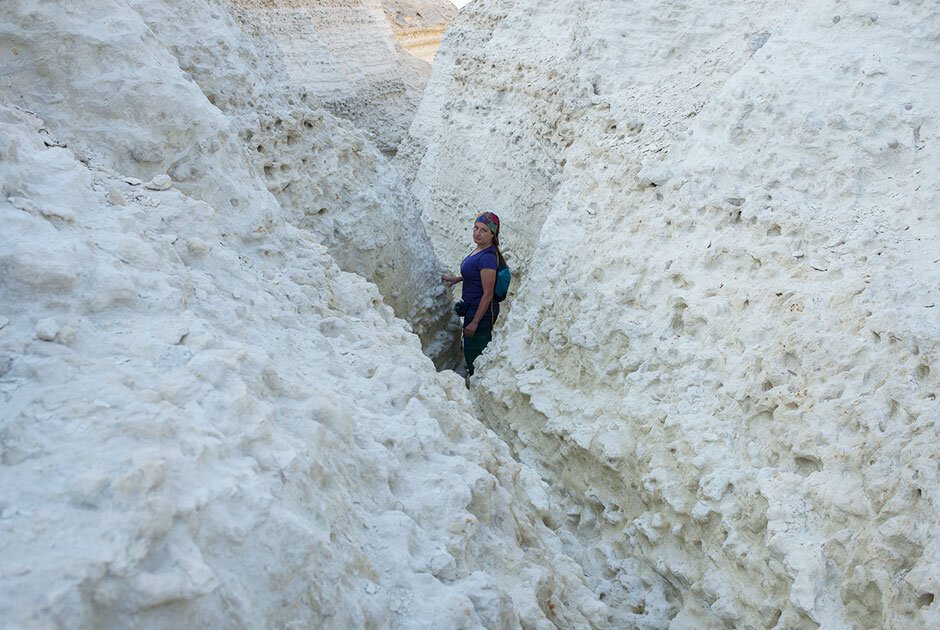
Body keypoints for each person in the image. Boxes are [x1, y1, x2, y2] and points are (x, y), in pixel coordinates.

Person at [441, 212, 503, 376]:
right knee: (470, 346)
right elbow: (477, 275)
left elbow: (488, 294)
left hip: (481, 312)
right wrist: (458, 279)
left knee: (476, 351)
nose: (477, 233)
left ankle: (476, 381)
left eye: (484, 230)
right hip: (473, 307)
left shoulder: (488, 257)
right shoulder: (480, 249)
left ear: (492, 234)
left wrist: (475, 322)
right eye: (476, 227)